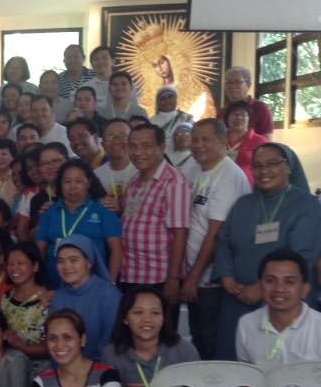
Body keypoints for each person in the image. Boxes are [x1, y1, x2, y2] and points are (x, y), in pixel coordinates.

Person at [213, 143, 321, 359]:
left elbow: (302, 255)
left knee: (277, 365)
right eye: (258, 166)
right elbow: (224, 241)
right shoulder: (243, 204)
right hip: (237, 298)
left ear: (289, 167)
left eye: (272, 164)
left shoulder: (306, 204)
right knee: (236, 364)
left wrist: (261, 289)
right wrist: (227, 278)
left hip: (280, 299)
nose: (264, 171)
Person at [179, 118, 250, 359]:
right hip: (192, 273)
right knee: (197, 335)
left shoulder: (229, 175)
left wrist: (194, 277)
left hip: (212, 277)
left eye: (205, 139)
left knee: (211, 338)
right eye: (195, 139)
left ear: (222, 142)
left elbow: (216, 233)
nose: (198, 145)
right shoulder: (193, 167)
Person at [236, 250, 321, 387]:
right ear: (259, 285)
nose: (279, 289)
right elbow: (248, 378)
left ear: (305, 289)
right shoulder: (247, 324)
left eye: (289, 282)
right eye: (270, 280)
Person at [101, 286, 199, 387]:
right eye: (138, 312)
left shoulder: (183, 349)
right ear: (125, 318)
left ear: (164, 318)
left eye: (155, 312)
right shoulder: (112, 354)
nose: (147, 319)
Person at [121, 124, 191, 316]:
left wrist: (173, 279)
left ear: (162, 148)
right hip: (131, 273)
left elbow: (180, 233)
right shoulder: (134, 181)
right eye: (133, 146)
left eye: (146, 146)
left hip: (159, 278)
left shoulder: (174, 182)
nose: (138, 152)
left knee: (161, 340)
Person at [37, 158, 123, 287]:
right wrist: (40, 284)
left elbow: (116, 249)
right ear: (60, 184)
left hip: (94, 287)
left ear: (88, 183)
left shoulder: (103, 209)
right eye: (67, 181)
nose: (73, 186)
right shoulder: (50, 212)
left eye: (78, 181)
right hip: (55, 287)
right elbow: (39, 250)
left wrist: (110, 284)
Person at [50, 235, 122, 361]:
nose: (66, 267)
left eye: (73, 260)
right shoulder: (57, 297)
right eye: (61, 261)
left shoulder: (110, 296)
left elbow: (110, 345)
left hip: (100, 369)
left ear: (89, 262)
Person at [0, 242, 50, 373]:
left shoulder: (47, 301)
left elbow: (50, 347)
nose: (14, 268)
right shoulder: (5, 298)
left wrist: (20, 347)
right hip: (8, 365)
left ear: (35, 266)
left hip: (38, 369)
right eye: (10, 263)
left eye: (20, 263)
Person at [217, 66, 274, 136]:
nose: (232, 86)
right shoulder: (222, 112)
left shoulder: (260, 108)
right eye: (229, 83)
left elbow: (267, 140)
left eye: (238, 82)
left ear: (248, 85)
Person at [94, 119, 136, 213]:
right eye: (110, 137)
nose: (116, 141)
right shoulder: (96, 175)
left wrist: (121, 204)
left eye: (122, 136)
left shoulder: (142, 171)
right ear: (103, 144)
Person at [223, 100, 269, 187]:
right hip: (219, 186)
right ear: (227, 118)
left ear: (249, 118)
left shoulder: (260, 141)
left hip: (248, 188)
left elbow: (266, 168)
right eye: (234, 114)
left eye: (243, 114)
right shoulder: (218, 139)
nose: (238, 118)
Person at [151, 86, 193, 156]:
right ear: (157, 102)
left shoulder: (187, 118)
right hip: (161, 159)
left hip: (186, 158)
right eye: (163, 98)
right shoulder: (151, 122)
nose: (167, 101)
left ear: (176, 99)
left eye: (170, 97)